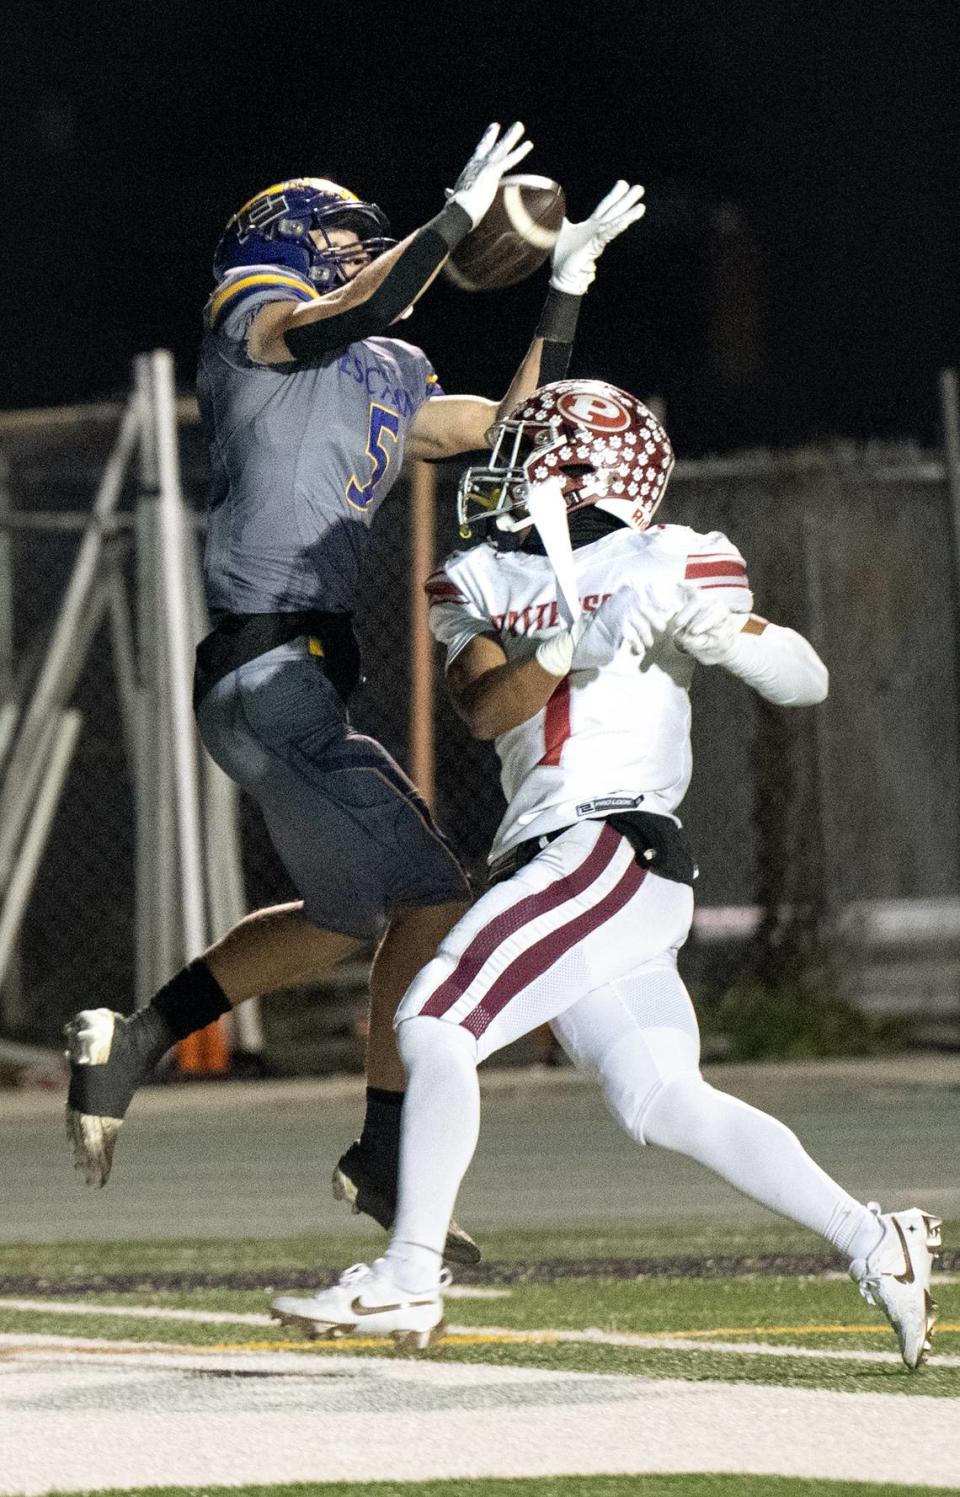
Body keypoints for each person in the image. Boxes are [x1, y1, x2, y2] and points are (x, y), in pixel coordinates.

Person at [270, 377, 942, 1369]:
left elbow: (807, 678)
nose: (493, 475)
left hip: (611, 845)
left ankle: (410, 1279)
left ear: (576, 469)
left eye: (518, 453)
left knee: (432, 1017)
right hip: (571, 863)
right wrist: (566, 646)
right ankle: (874, 1239)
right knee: (661, 1097)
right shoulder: (483, 578)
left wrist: (726, 634)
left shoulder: (676, 558)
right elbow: (488, 710)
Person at [63, 125, 647, 1265]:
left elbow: (515, 441)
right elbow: (343, 312)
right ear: (287, 241)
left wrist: (564, 289)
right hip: (265, 667)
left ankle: (133, 1042)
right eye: (343, 235)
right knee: (433, 891)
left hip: (294, 687)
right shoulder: (257, 321)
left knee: (344, 916)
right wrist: (440, 230)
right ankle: (383, 1153)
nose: (358, 248)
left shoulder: (391, 372)